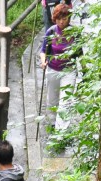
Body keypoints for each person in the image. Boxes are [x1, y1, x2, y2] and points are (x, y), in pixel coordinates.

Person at [39, 3, 75, 132]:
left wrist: (85, 72)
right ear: (55, 18)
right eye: (59, 19)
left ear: (69, 18)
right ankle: (53, 123)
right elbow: (43, 51)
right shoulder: (51, 31)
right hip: (53, 69)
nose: (61, 22)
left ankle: (62, 131)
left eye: (64, 19)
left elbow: (79, 53)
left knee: (66, 101)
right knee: (52, 100)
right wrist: (43, 62)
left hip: (69, 70)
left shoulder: (74, 33)